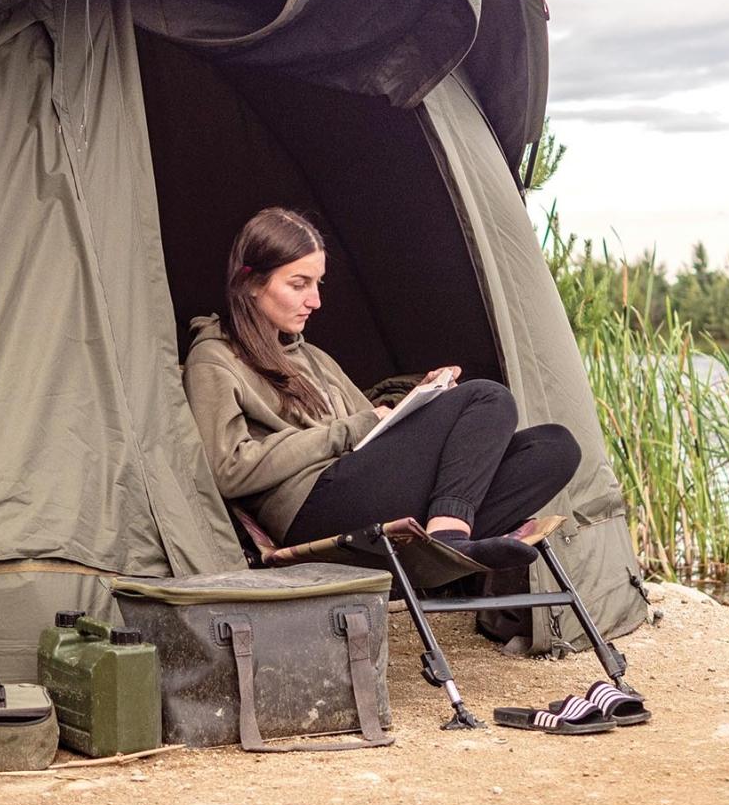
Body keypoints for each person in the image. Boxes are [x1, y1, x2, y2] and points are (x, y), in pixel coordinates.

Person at [182, 206, 581, 572]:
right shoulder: (215, 358)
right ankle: (448, 537)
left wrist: (419, 403)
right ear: (251, 282)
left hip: (359, 487)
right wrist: (344, 432)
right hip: (311, 507)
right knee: (487, 398)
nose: (315, 301)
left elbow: (371, 433)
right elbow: (229, 469)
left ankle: (440, 542)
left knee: (554, 448)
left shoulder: (313, 357)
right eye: (299, 284)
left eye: (318, 284)